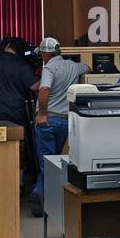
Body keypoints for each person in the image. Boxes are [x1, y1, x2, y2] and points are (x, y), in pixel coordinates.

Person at [29, 37, 88, 217]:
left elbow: (44, 89)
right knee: (58, 163)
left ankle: (41, 199)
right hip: (65, 121)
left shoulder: (49, 68)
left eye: (42, 54)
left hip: (48, 122)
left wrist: (42, 114)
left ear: (46, 54)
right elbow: (88, 68)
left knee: (46, 163)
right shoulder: (73, 66)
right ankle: (51, 201)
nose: (42, 57)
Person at [0, 36, 40, 189]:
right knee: (16, 150)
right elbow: (35, 86)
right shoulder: (21, 65)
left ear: (7, 45)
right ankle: (17, 184)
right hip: (14, 116)